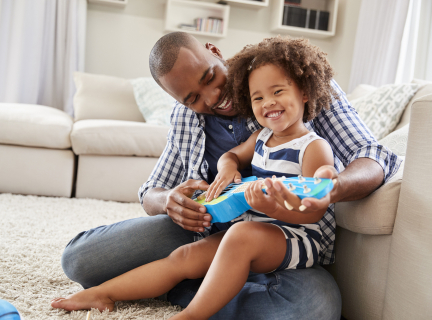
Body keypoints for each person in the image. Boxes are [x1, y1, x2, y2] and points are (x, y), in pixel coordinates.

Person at [58, 32, 402, 320]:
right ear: (176, 100)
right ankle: (193, 282)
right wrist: (169, 202)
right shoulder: (188, 119)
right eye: (192, 98)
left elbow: (371, 156)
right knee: (80, 261)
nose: (212, 98)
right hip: (207, 233)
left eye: (210, 78)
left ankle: (191, 293)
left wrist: (332, 187)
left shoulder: (286, 83)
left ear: (215, 51)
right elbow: (151, 190)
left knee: (315, 307)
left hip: (281, 240)